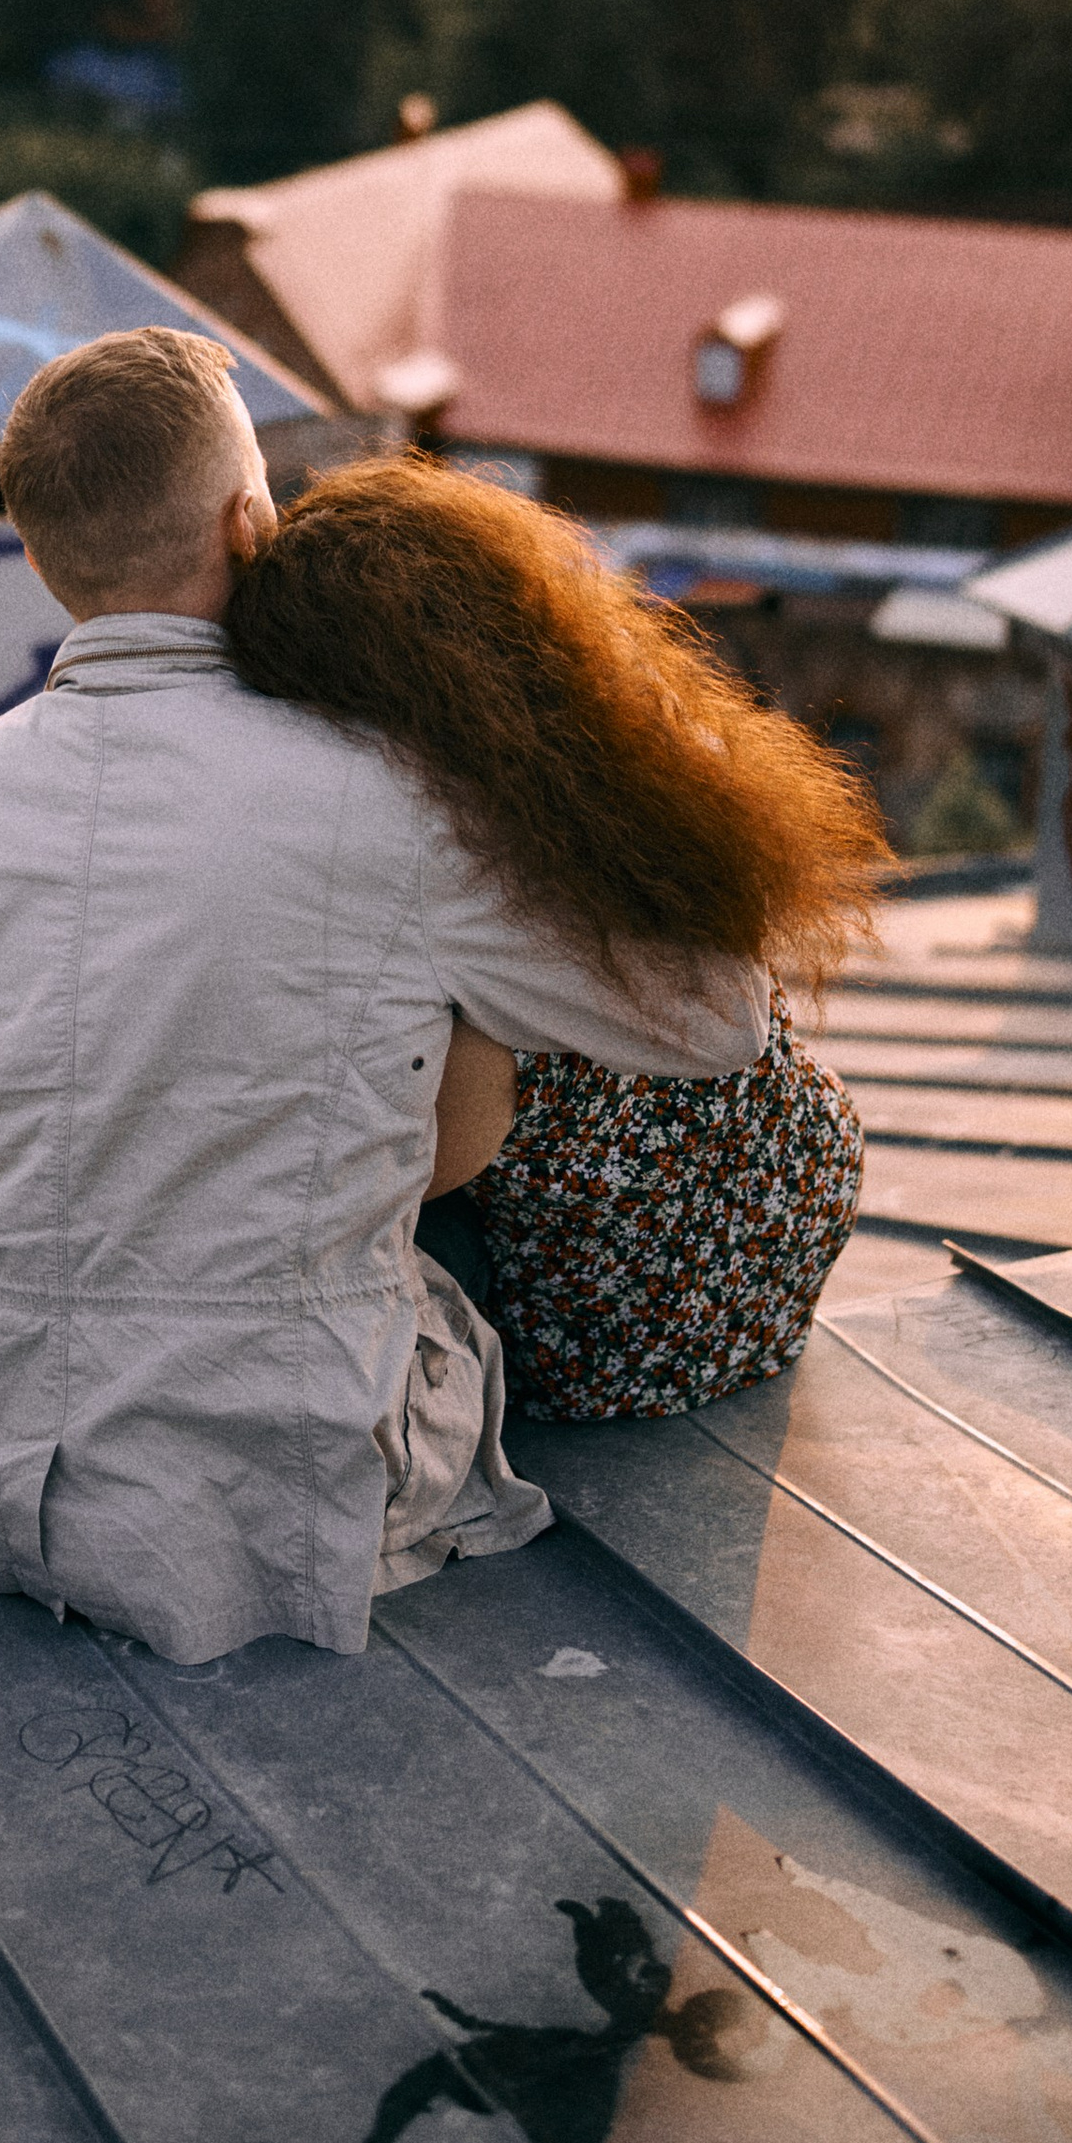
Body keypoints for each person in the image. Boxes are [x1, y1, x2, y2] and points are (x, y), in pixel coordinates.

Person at [0, 325, 624, 1667]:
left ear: (38, 557)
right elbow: (714, 1022)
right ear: (248, 522)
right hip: (301, 1509)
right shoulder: (401, 797)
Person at [220, 458, 887, 1423]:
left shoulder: (448, 878)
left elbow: (410, 1172)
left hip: (631, 1313)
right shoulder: (612, 747)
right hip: (796, 1197)